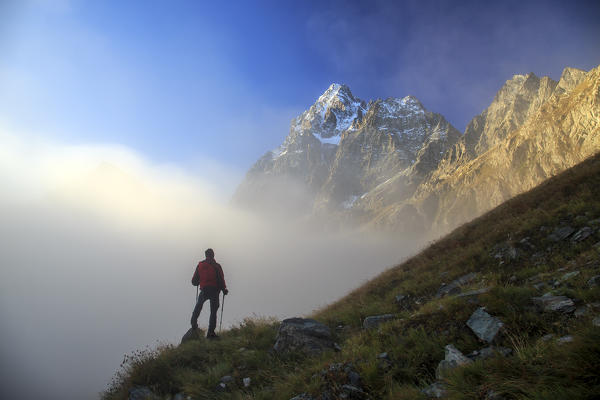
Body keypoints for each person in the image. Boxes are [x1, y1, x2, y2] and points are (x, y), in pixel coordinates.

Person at [190, 248, 228, 339]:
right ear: (213, 255)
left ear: (205, 255)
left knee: (198, 306)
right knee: (213, 311)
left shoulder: (200, 265)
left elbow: (194, 281)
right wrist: (224, 290)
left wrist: (199, 282)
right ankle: (210, 333)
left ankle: (193, 323)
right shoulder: (217, 266)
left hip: (204, 290)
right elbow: (221, 279)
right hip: (214, 291)